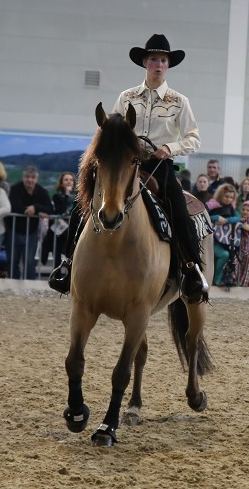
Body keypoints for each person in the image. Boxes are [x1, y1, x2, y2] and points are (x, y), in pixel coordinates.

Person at [50, 34, 209, 301]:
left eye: (163, 60)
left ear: (168, 65)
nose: (158, 64)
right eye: (154, 59)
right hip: (125, 164)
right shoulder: (127, 96)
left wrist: (169, 148)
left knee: (177, 207)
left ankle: (191, 268)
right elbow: (110, 130)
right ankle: (67, 264)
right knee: (86, 201)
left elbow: (193, 137)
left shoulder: (179, 101)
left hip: (159, 165)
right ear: (145, 62)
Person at [8, 165, 51, 280]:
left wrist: (35, 208)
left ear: (36, 179)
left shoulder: (41, 191)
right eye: (27, 177)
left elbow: (50, 209)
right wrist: (29, 210)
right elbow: (13, 206)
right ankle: (12, 286)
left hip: (31, 233)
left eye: (32, 177)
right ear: (23, 177)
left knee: (29, 262)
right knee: (12, 261)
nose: (30, 180)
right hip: (13, 231)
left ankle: (30, 287)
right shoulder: (15, 189)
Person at [207, 183, 240, 286]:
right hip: (210, 239)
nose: (229, 199)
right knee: (223, 255)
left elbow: (237, 218)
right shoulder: (211, 205)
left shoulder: (231, 208)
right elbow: (204, 216)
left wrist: (225, 220)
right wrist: (215, 217)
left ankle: (217, 280)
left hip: (223, 240)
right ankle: (216, 279)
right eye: (226, 196)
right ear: (221, 195)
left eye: (231, 197)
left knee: (225, 256)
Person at [41, 171, 75, 267]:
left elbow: (75, 211)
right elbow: (61, 210)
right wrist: (67, 196)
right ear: (61, 183)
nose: (69, 182)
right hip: (59, 230)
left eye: (71, 180)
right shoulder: (56, 196)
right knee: (57, 252)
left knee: (71, 254)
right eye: (66, 180)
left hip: (72, 229)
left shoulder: (78, 197)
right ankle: (57, 275)